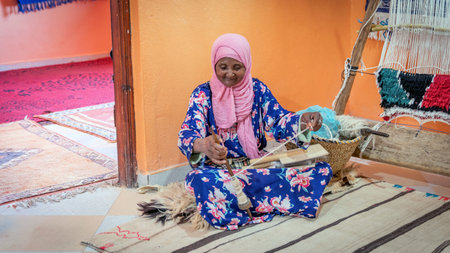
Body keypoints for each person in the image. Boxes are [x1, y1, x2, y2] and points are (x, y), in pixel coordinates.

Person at [178, 33, 332, 230]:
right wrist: (203, 145)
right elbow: (187, 133)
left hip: (257, 164)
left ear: (247, 65)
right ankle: (268, 200)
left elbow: (279, 121)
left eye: (237, 67)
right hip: (218, 171)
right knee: (201, 181)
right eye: (223, 67)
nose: (230, 74)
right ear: (214, 65)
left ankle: (241, 202)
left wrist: (303, 122)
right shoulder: (202, 94)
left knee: (320, 170)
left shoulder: (257, 90)